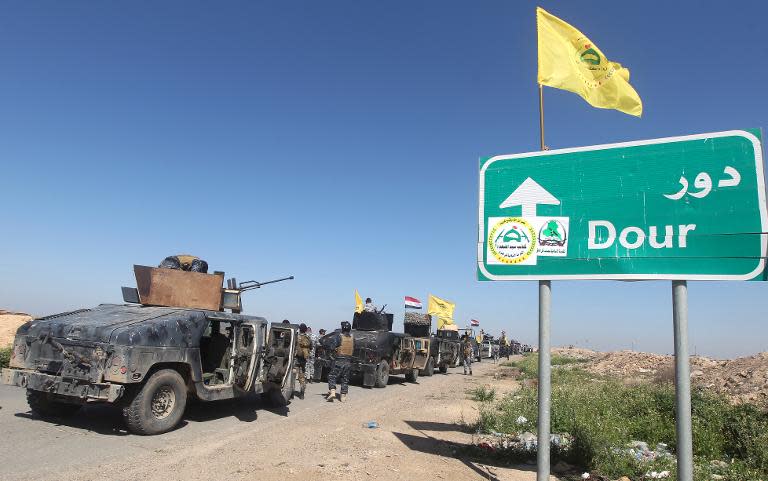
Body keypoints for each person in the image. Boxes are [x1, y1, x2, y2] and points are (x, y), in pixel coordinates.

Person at [323, 321, 354, 402]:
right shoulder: (352, 338)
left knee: (332, 376)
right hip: (348, 361)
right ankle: (343, 396)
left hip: (339, 360)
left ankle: (332, 391)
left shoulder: (339, 337)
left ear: (342, 328)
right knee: (345, 379)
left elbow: (331, 347)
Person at [295, 323, 311, 399]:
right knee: (302, 377)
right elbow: (310, 347)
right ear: (305, 330)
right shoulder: (307, 337)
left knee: (292, 376)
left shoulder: (296, 337)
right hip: (303, 359)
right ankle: (302, 393)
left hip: (295, 359)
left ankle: (291, 393)